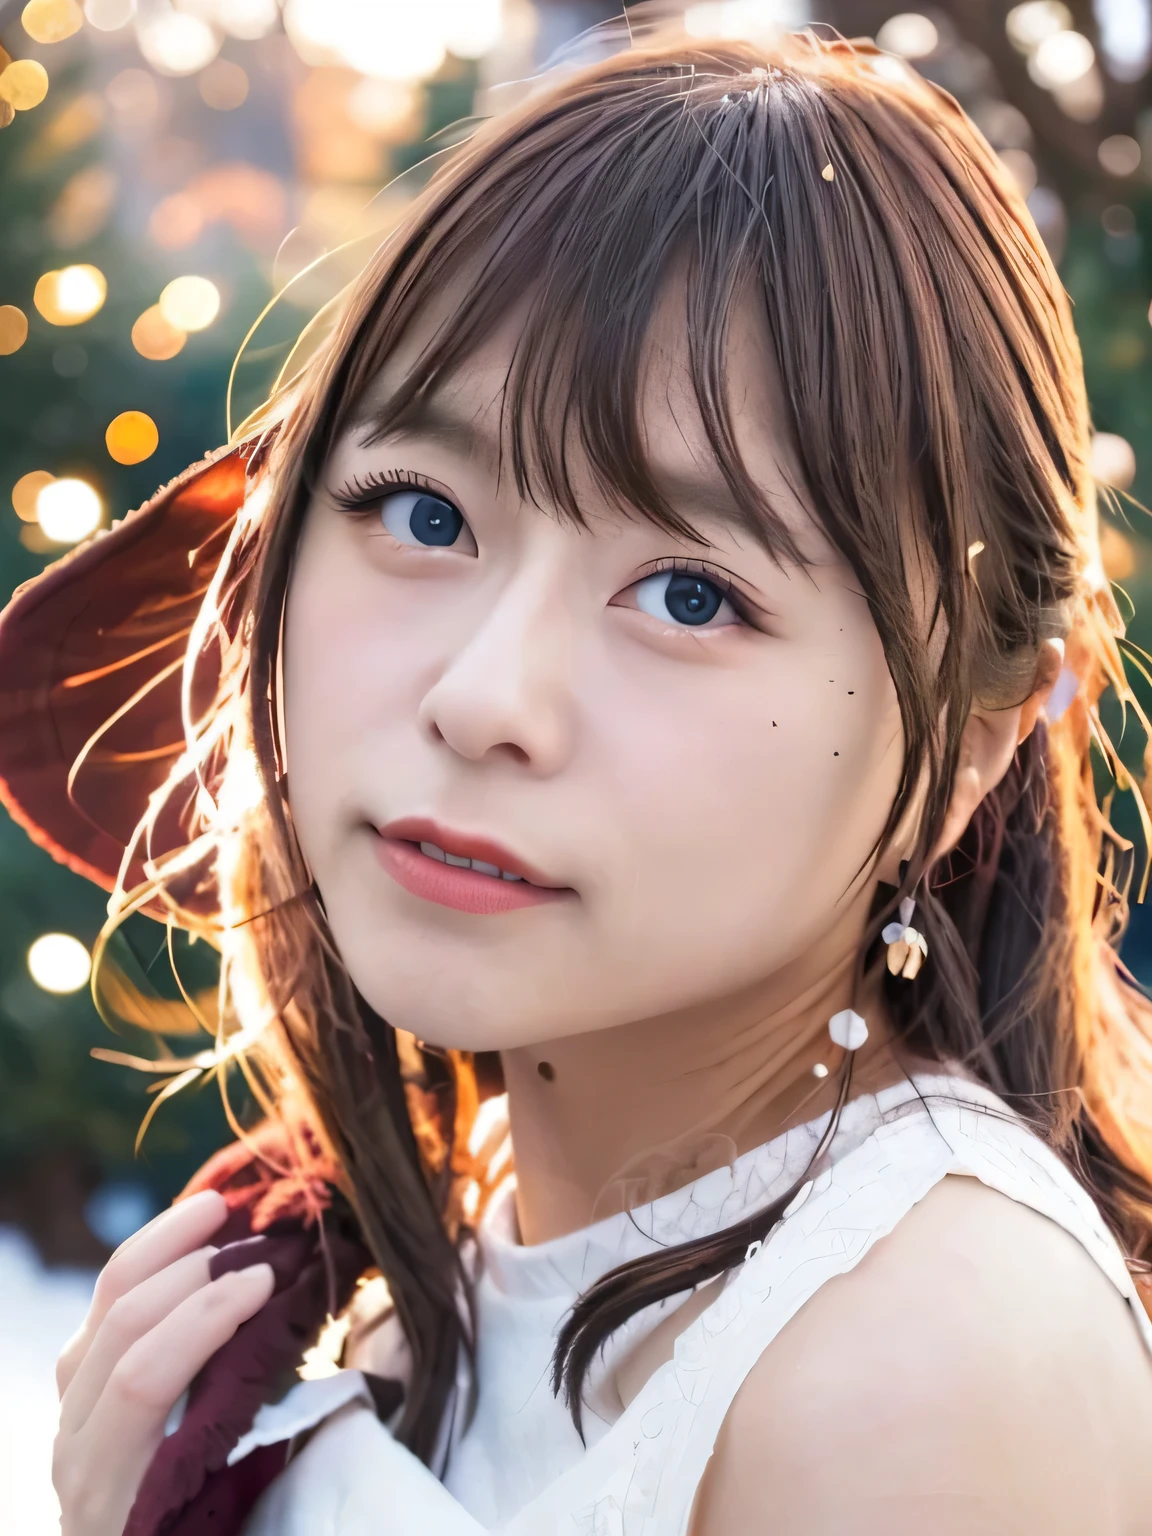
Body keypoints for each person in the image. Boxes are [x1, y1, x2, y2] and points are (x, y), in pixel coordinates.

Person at [5, 28, 1152, 1536]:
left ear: (974, 742)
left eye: (690, 595)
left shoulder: (924, 1362)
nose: (484, 697)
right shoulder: (421, 1231)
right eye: (421, 510)